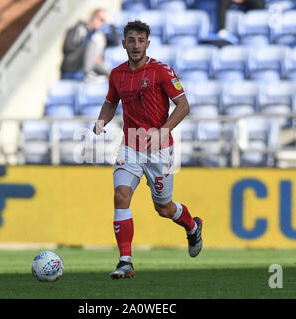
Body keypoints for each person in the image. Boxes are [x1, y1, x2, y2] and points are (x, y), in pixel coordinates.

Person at [92, 20, 203, 279]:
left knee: (163, 208)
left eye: (141, 41)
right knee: (121, 195)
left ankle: (191, 225)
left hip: (159, 149)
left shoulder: (161, 71)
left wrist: (163, 130)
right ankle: (125, 261)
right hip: (131, 145)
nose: (136, 46)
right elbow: (110, 103)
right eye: (131, 40)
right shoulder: (117, 74)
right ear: (123, 44)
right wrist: (101, 120)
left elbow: (183, 106)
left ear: (147, 44)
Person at [60, 8, 119, 81]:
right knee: (92, 44)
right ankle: (88, 74)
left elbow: (116, 43)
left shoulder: (100, 36)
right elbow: (67, 48)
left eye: (104, 21)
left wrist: (111, 24)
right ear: (93, 17)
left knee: (112, 74)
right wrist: (89, 53)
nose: (102, 23)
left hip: (92, 65)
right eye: (100, 19)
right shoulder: (79, 29)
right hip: (72, 64)